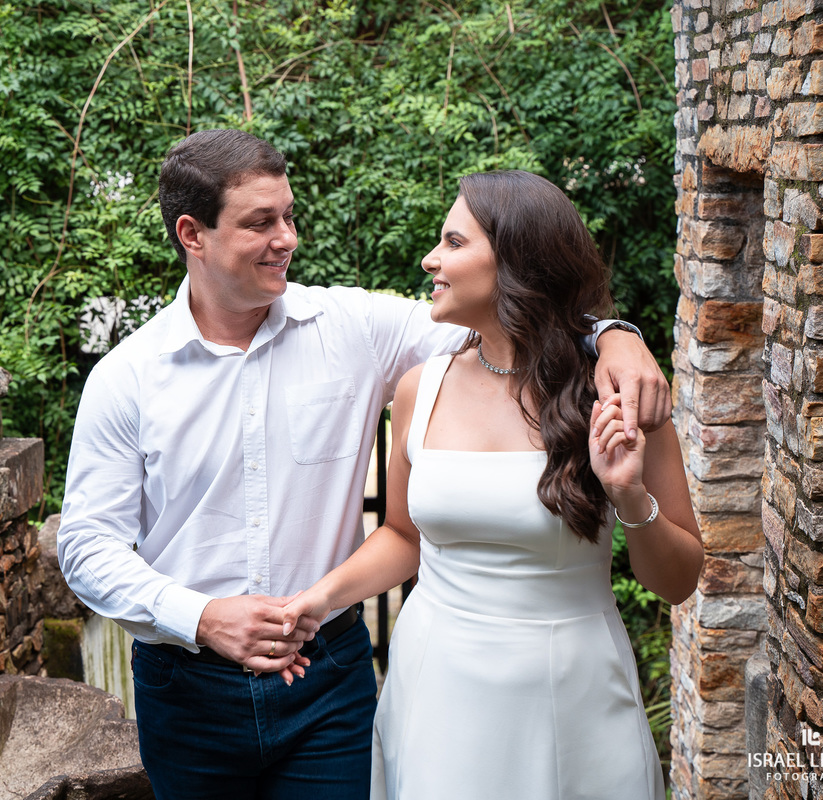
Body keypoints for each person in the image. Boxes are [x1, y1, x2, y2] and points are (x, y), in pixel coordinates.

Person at [57, 131, 671, 800]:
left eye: (289, 216)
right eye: (261, 222)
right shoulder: (127, 379)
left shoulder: (353, 329)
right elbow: (87, 547)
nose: (287, 237)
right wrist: (203, 616)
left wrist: (614, 337)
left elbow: (515, 319)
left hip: (330, 681)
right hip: (187, 689)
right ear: (192, 234)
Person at [280, 170, 703, 800]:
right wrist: (314, 604)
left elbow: (679, 580)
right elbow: (403, 535)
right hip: (436, 683)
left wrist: (628, 496)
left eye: (453, 243)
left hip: (571, 686)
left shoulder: (613, 390)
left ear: (515, 261)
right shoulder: (420, 386)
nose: (431, 259)